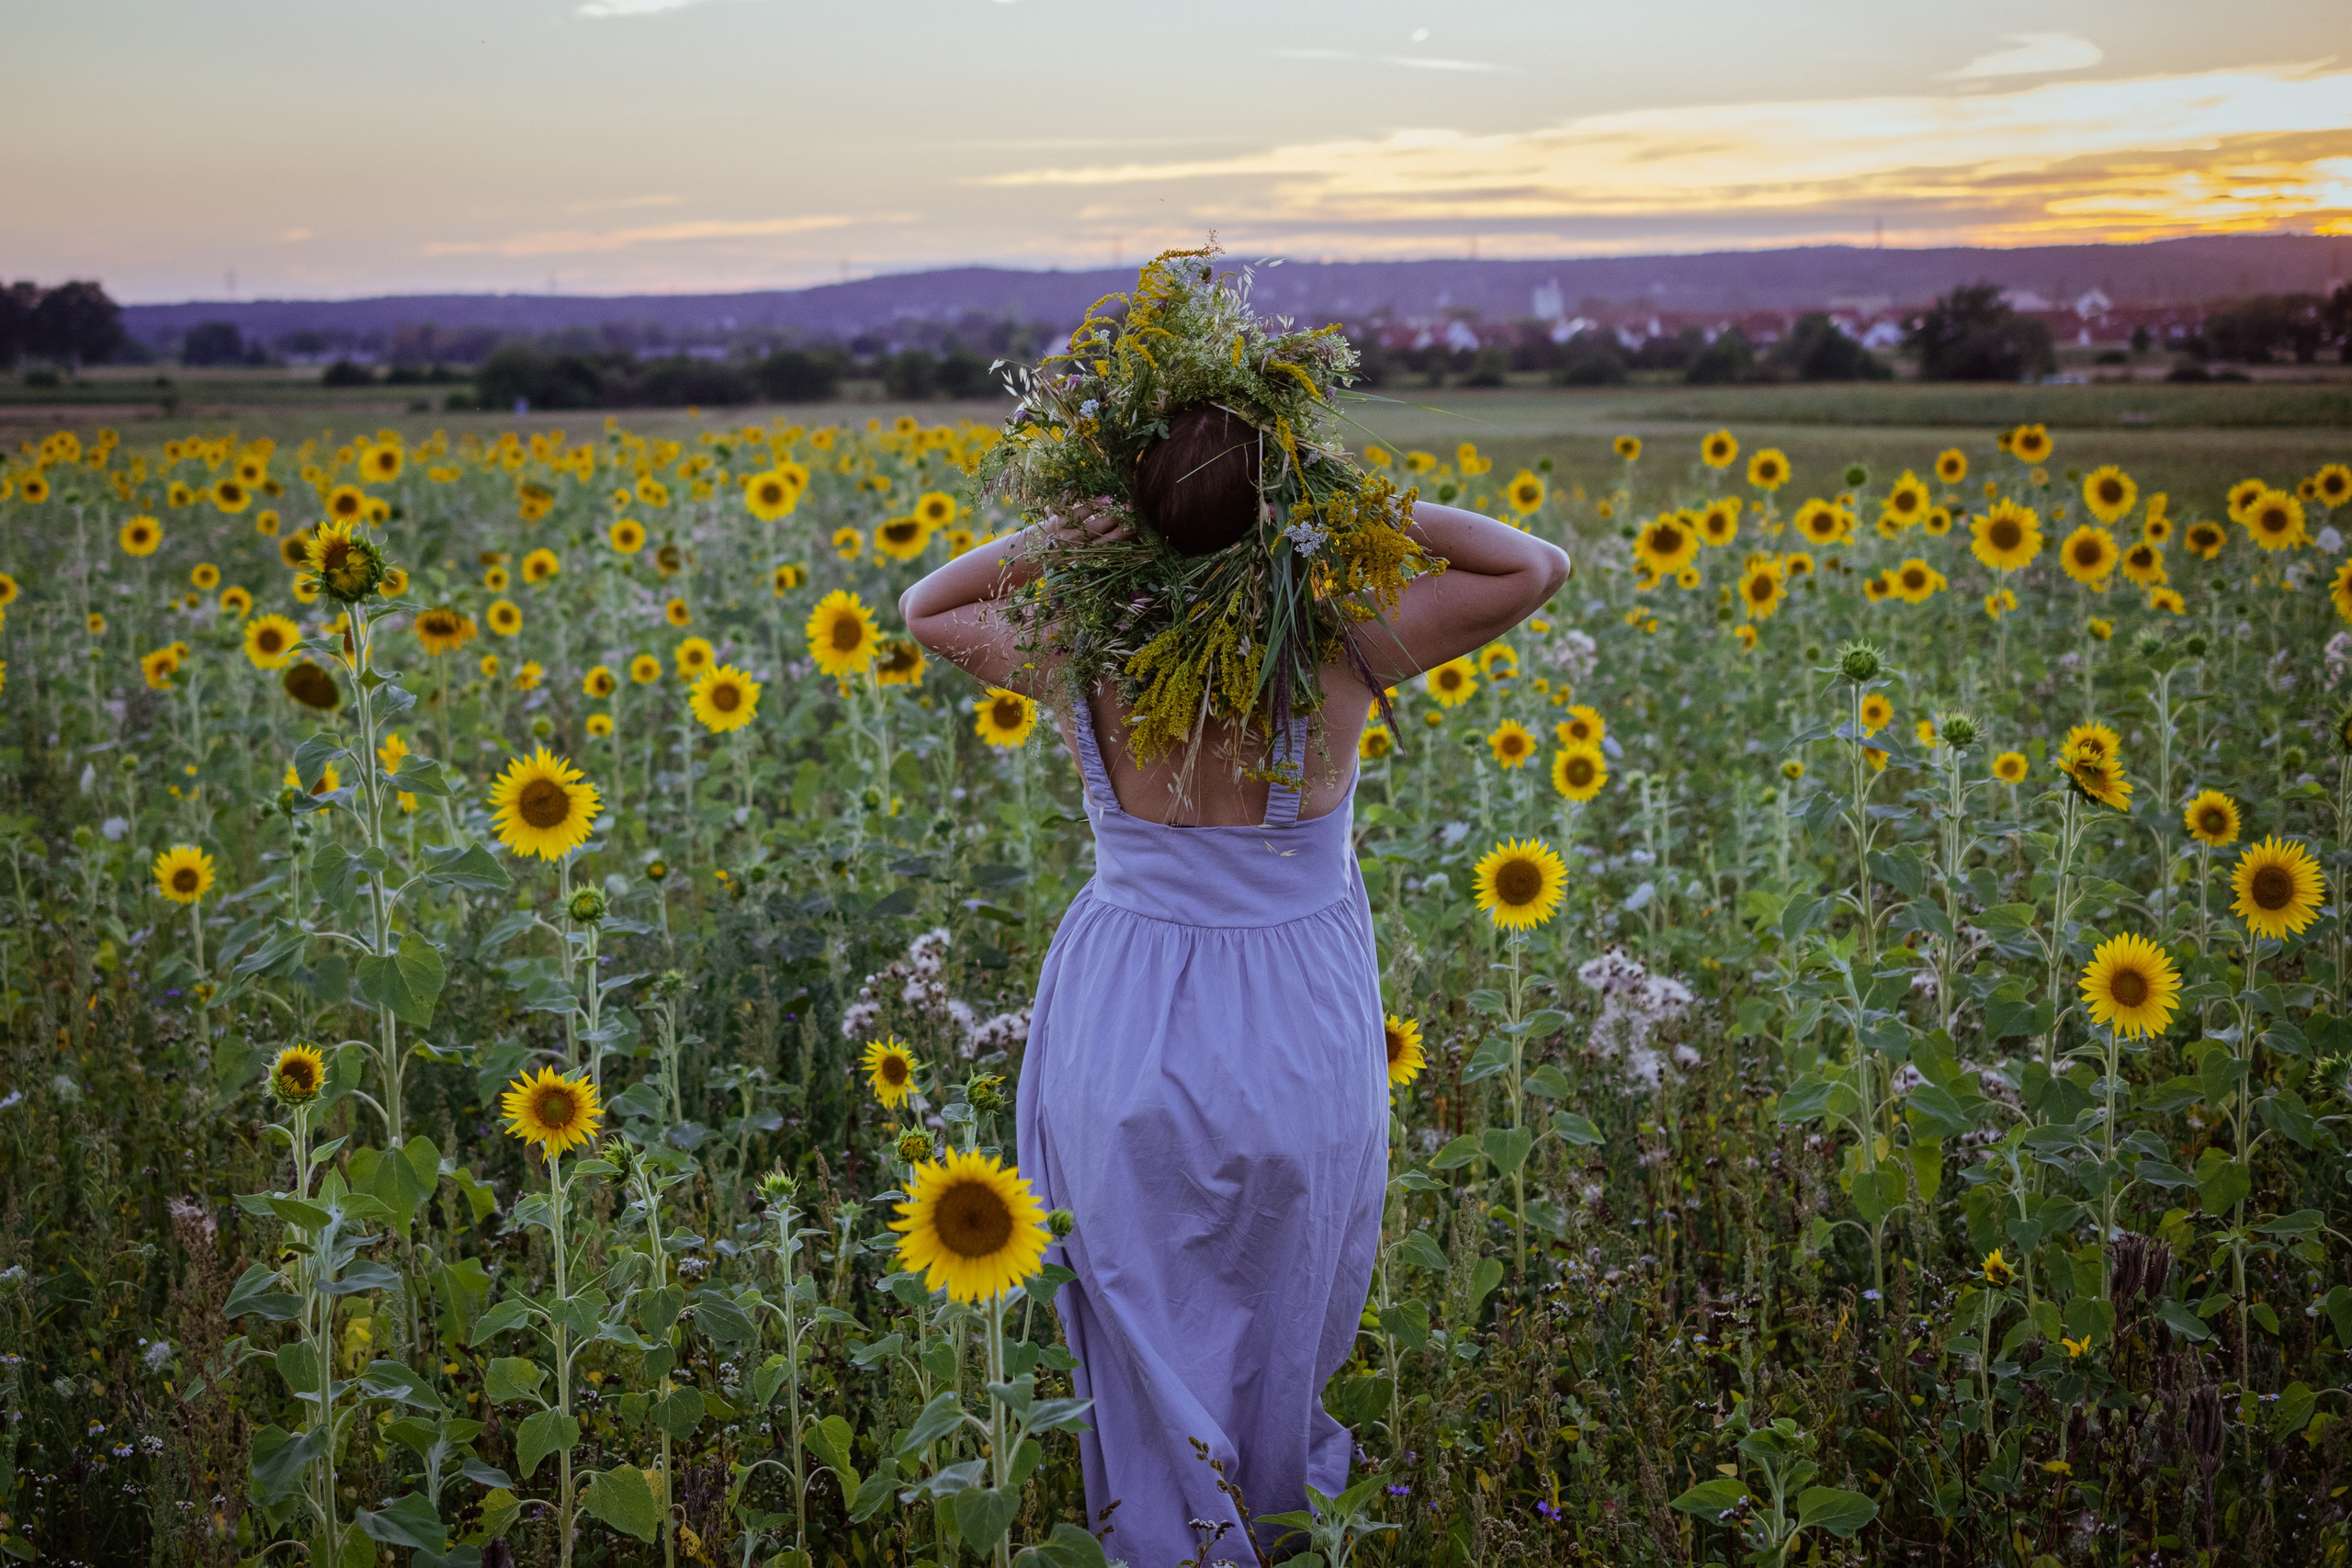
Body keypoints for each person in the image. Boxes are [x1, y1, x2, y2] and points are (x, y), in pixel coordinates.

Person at [901, 399, 1564, 1562]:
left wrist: (1064, 538)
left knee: (1137, 1309)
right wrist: (1341, 518)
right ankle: (1265, 1527)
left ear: (1128, 495)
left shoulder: (1085, 649)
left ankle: (1163, 1537)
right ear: (1283, 501)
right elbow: (1532, 562)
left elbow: (927, 607)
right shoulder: (1345, 643)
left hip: (1121, 1015)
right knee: (1286, 1304)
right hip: (1293, 1025)